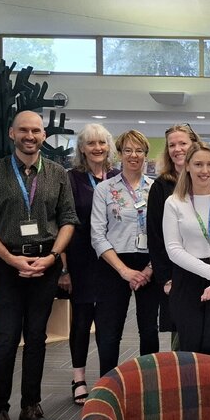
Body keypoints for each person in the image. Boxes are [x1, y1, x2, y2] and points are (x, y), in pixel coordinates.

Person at [0, 110, 77, 420]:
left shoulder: (58, 173)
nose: (30, 136)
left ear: (44, 135)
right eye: (24, 130)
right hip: (6, 265)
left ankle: (31, 406)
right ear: (12, 134)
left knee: (36, 339)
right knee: (5, 341)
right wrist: (11, 258)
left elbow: (69, 219)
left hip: (45, 265)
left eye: (36, 130)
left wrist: (52, 257)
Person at [163, 141, 210, 358]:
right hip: (188, 279)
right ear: (187, 166)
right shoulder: (174, 202)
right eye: (198, 164)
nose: (204, 171)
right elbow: (173, 249)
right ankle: (192, 393)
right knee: (191, 349)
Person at [90, 130, 159, 377]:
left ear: (146, 155)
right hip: (114, 264)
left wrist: (149, 268)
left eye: (139, 150)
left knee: (149, 330)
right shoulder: (104, 189)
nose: (134, 155)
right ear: (119, 154)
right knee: (109, 333)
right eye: (128, 150)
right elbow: (97, 235)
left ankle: (149, 387)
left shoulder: (156, 189)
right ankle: (108, 390)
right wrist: (124, 271)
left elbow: (165, 235)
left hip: (149, 266)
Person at [61, 123, 119, 405]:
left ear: (109, 147)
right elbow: (63, 223)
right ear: (82, 148)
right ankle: (79, 377)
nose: (97, 148)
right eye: (91, 143)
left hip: (111, 260)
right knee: (82, 322)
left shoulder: (118, 178)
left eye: (102, 143)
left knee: (109, 324)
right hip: (81, 259)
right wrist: (64, 267)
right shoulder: (71, 179)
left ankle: (107, 380)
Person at [146, 124, 196, 349]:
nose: (177, 149)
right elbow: (155, 238)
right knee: (182, 337)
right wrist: (165, 278)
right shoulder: (161, 186)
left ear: (194, 144)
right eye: (172, 145)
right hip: (176, 274)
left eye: (182, 143)